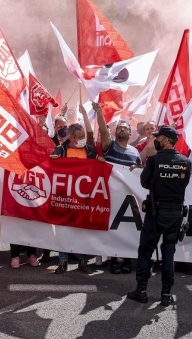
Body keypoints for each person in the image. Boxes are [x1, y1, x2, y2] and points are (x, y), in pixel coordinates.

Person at [127, 126, 191, 307]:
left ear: (165, 140)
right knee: (169, 252)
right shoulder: (185, 161)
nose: (155, 140)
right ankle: (166, 294)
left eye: (158, 137)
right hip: (175, 213)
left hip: (156, 212)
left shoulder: (154, 161)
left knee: (146, 250)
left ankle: (142, 290)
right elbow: (184, 184)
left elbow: (145, 182)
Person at [49, 110, 104, 273]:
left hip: (83, 198)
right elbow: (52, 168)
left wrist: (99, 162)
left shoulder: (90, 151)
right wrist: (54, 160)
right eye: (79, 137)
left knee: (82, 230)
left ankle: (82, 261)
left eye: (83, 137)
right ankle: (63, 261)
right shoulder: (60, 150)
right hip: (64, 197)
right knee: (63, 229)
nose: (82, 140)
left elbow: (97, 168)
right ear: (71, 138)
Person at [95, 102, 141, 274]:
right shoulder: (110, 146)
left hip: (128, 198)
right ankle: (114, 260)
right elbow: (103, 130)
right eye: (120, 127)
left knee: (128, 228)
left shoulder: (135, 152)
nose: (122, 129)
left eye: (125, 128)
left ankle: (127, 259)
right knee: (113, 228)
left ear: (130, 134)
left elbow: (137, 173)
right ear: (115, 133)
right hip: (111, 195)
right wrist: (100, 113)